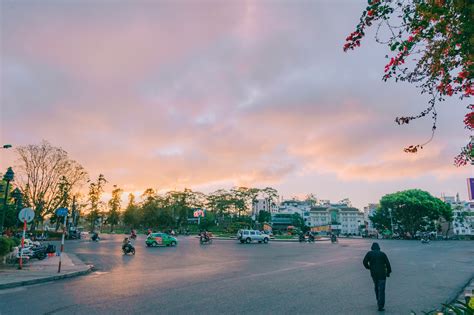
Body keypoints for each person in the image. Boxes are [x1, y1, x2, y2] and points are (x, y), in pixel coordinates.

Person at [363, 242, 392, 311]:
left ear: (372, 247)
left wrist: (369, 267)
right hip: (382, 274)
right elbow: (388, 264)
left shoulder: (369, 253)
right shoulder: (382, 254)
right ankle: (380, 306)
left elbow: (364, 262)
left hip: (374, 274)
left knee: (376, 287)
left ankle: (378, 300)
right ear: (379, 247)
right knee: (381, 289)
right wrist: (388, 272)